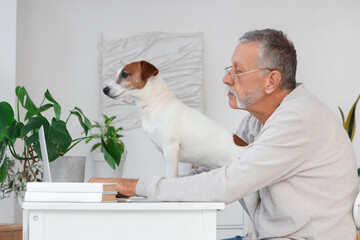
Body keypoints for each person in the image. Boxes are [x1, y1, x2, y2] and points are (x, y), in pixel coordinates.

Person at [90, 29, 358, 239]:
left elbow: (228, 183)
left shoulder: (299, 120)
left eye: (238, 71)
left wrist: (139, 185)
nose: (227, 78)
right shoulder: (257, 123)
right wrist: (143, 189)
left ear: (271, 81)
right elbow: (217, 169)